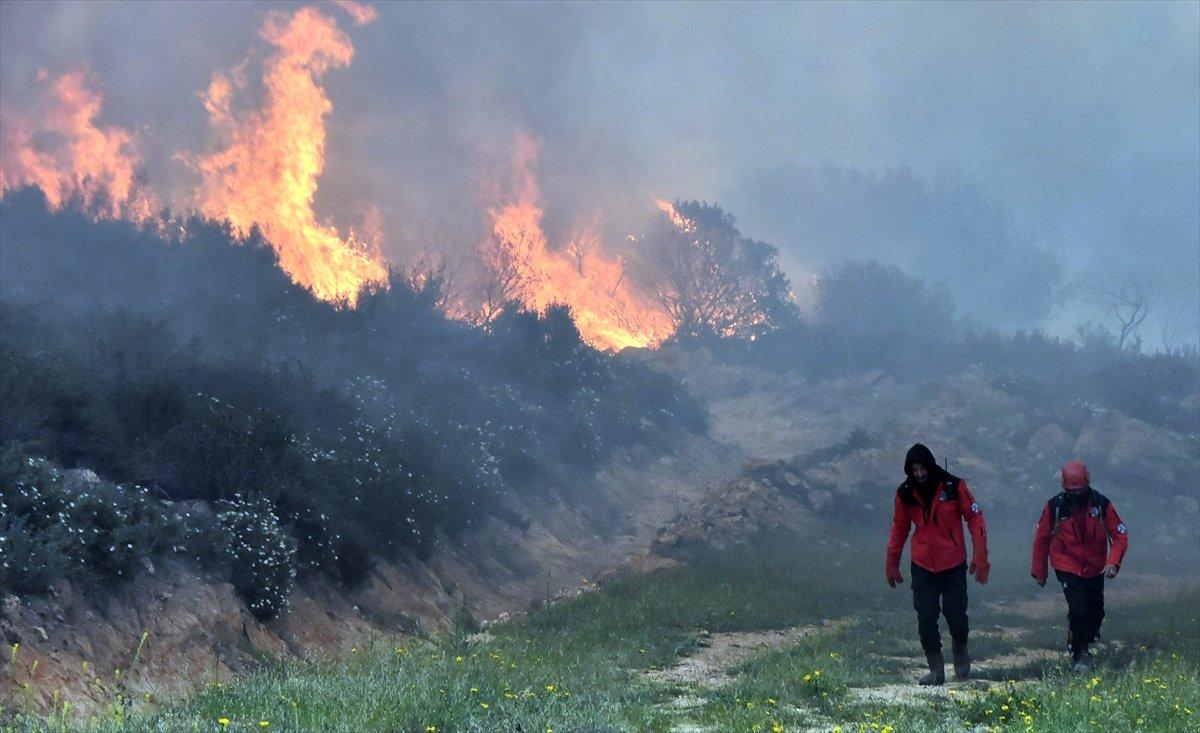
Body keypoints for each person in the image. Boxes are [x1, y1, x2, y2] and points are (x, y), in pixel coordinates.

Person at [886, 443, 990, 685]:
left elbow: (975, 518)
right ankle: (936, 669)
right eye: (915, 470)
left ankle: (960, 652)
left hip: (953, 563)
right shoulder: (905, 493)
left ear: (931, 466)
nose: (920, 474)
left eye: (923, 468)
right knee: (925, 617)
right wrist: (892, 563)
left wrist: (981, 555)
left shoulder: (954, 486)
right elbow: (899, 529)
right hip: (922, 564)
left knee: (956, 614)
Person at [1031, 459, 1128, 672]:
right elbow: (1042, 538)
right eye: (1071, 492)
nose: (1076, 496)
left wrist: (1113, 562)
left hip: (1094, 566)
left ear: (1087, 485)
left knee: (1096, 612)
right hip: (1066, 565)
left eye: (1080, 491)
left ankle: (1083, 637)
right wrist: (1040, 571)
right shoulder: (1055, 507)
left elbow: (1120, 535)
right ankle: (1079, 653)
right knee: (1078, 608)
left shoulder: (1101, 505)